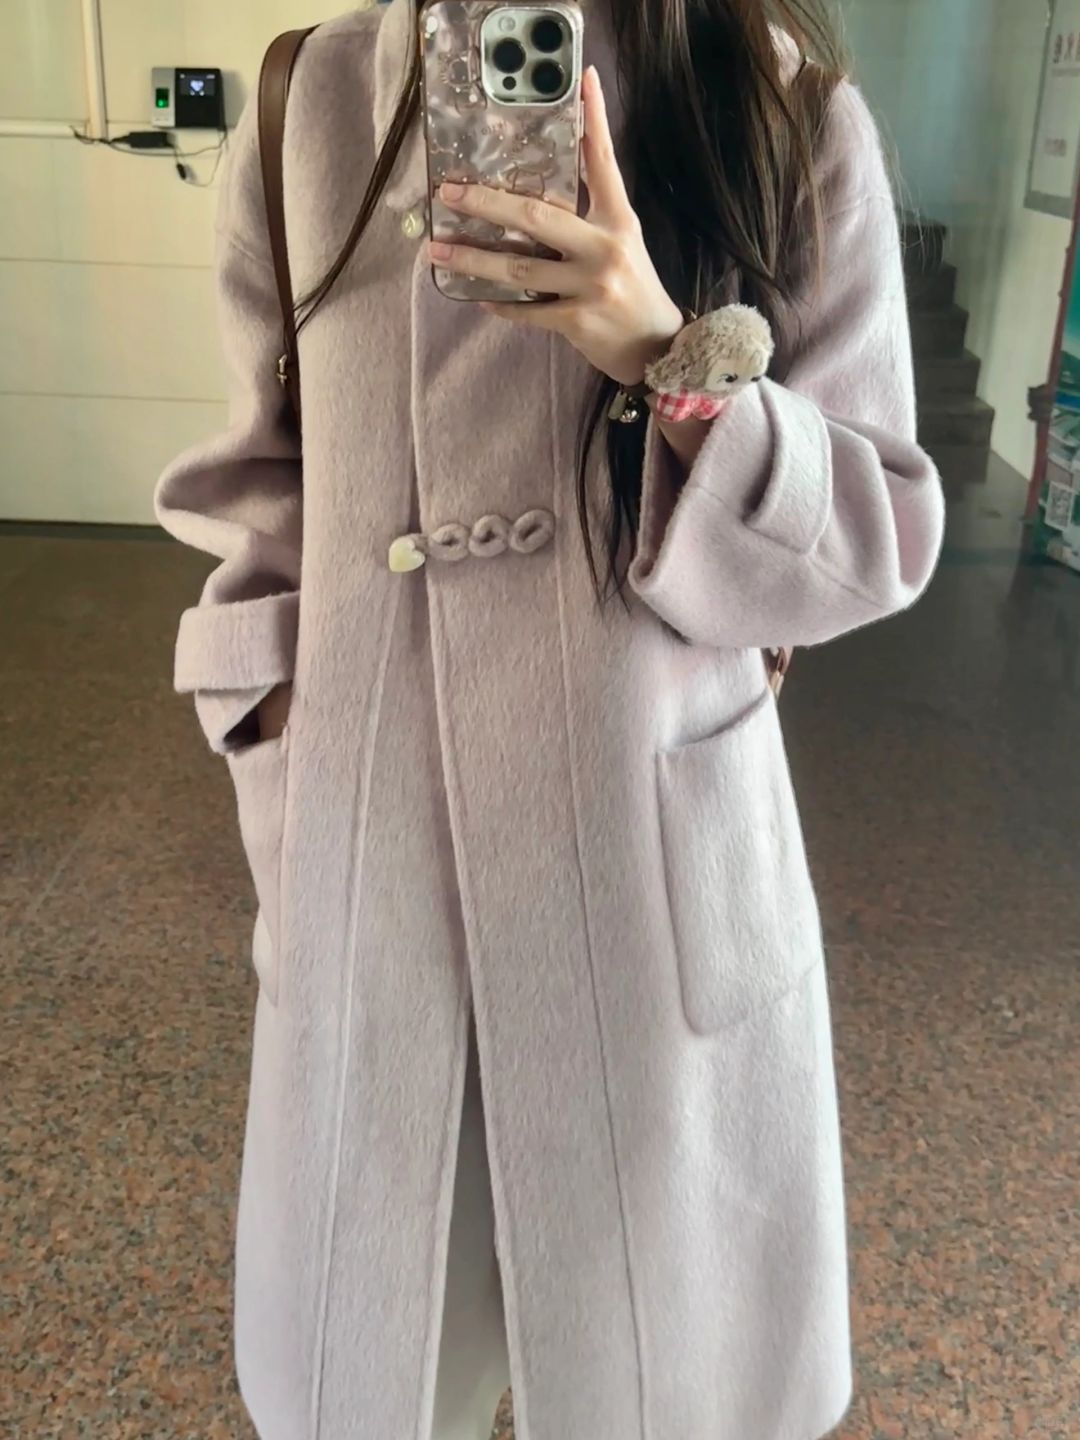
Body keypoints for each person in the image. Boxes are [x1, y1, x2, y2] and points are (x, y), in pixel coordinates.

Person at [154, 1, 945, 1437]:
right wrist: (277, 753)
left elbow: (870, 537)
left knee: (659, 1382)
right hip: (373, 890)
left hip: (647, 893)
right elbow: (260, 505)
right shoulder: (306, 102)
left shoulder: (777, 108)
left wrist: (670, 358)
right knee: (386, 1379)